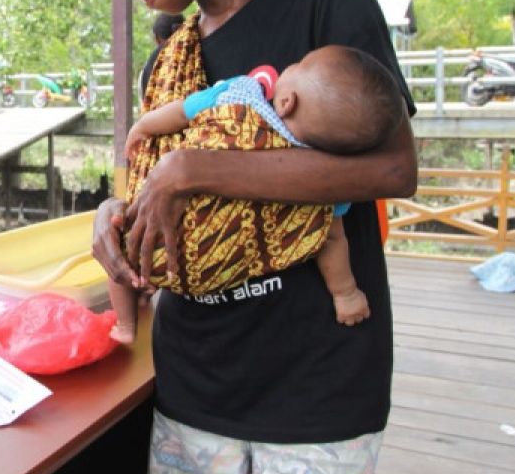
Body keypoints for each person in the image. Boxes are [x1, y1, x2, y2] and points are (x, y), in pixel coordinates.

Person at [98, 0, 416, 474]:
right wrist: (115, 221)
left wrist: (202, 168)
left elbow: (394, 168)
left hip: (317, 384)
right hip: (195, 382)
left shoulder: (321, 1)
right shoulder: (169, 60)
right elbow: (147, 182)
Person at [108, 45, 404, 343]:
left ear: (287, 102)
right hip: (216, 272)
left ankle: (125, 324)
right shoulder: (321, 182)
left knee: (119, 246)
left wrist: (144, 125)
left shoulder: (239, 95)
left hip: (159, 243)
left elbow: (185, 110)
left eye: (299, 65)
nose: (290, 63)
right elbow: (331, 238)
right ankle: (134, 311)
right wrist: (345, 292)